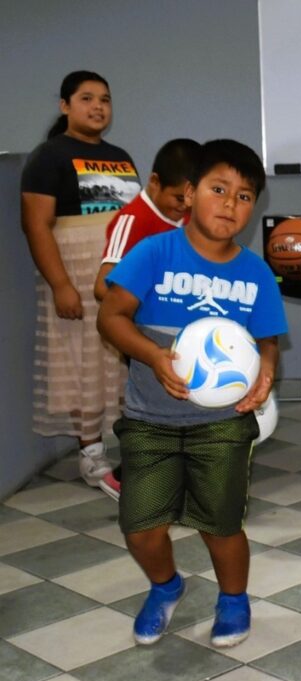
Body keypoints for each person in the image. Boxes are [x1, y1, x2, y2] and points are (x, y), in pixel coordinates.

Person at [97, 140, 287, 649]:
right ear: (188, 193)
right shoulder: (154, 253)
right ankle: (166, 586)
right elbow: (110, 316)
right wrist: (153, 355)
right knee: (140, 528)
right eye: (218, 189)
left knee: (220, 525)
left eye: (244, 196)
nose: (230, 204)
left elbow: (267, 340)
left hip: (222, 424)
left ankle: (233, 599)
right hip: (149, 419)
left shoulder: (255, 273)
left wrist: (267, 368)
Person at [20, 71, 140, 494]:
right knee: (81, 363)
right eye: (86, 98)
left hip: (121, 275)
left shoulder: (121, 156)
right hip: (76, 272)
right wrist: (61, 285)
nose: (98, 107)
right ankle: (91, 455)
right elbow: (36, 225)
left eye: (104, 99)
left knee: (122, 361)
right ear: (65, 106)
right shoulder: (48, 156)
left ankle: (135, 451)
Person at [95, 138, 201, 302]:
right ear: (155, 182)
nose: (186, 205)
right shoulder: (133, 220)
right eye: (179, 198)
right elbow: (102, 289)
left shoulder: (193, 215)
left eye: (193, 199)